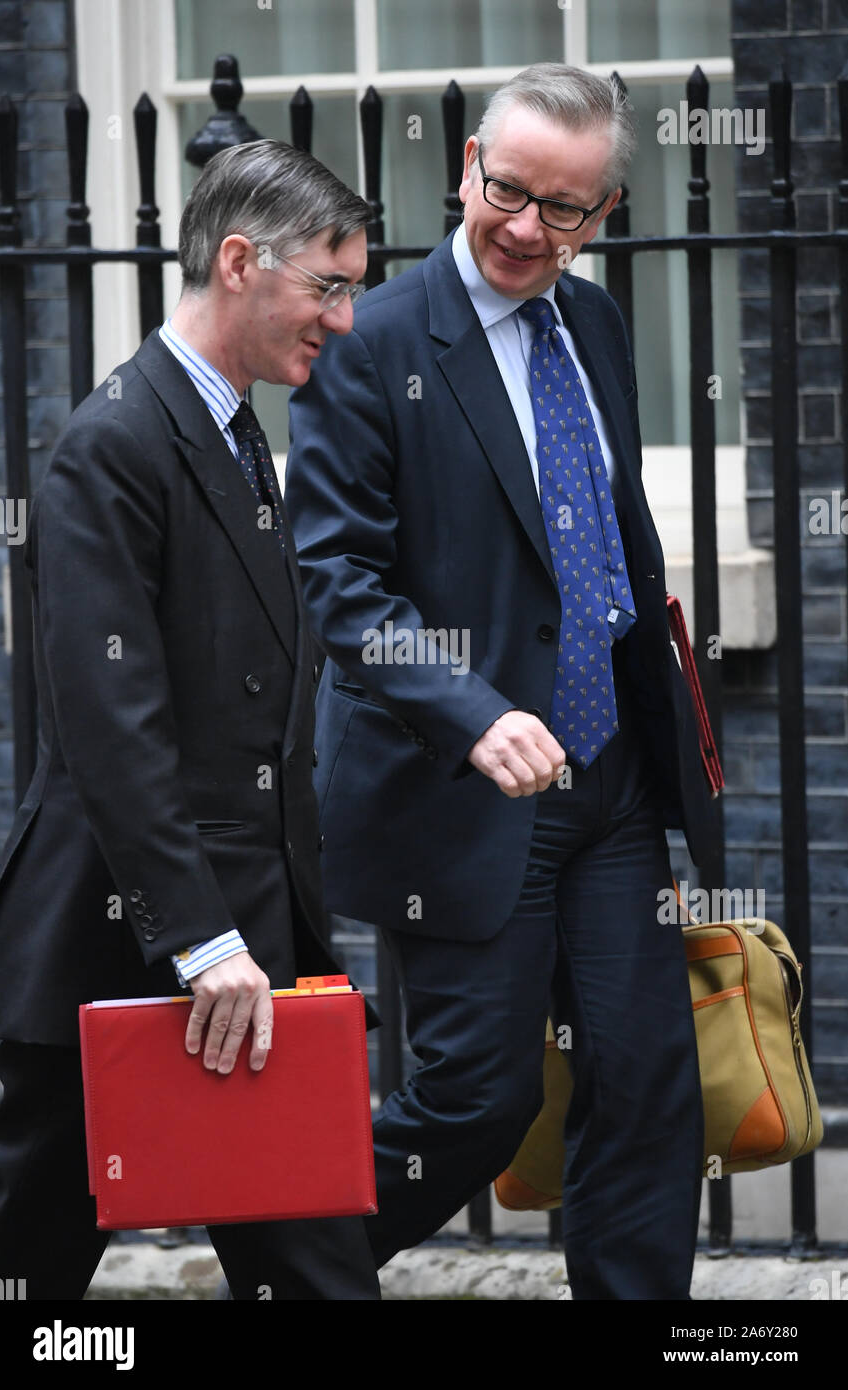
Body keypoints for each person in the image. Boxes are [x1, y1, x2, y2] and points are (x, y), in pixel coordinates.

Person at [285, 64, 718, 1300]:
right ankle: (285, 1260)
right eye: (510, 191)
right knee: (476, 1100)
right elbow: (341, 581)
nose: (529, 229)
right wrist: (475, 715)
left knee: (646, 1082)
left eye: (566, 210)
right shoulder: (369, 342)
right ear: (467, 161)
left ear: (607, 210)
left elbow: (606, 528)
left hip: (612, 776)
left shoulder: (596, 325)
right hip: (464, 790)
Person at [0, 139, 380, 1301]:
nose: (346, 320)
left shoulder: (234, 425)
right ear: (243, 262)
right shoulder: (113, 444)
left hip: (241, 937)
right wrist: (203, 941)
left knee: (310, 1263)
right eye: (330, 285)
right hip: (131, 943)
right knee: (30, 1267)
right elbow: (113, 726)